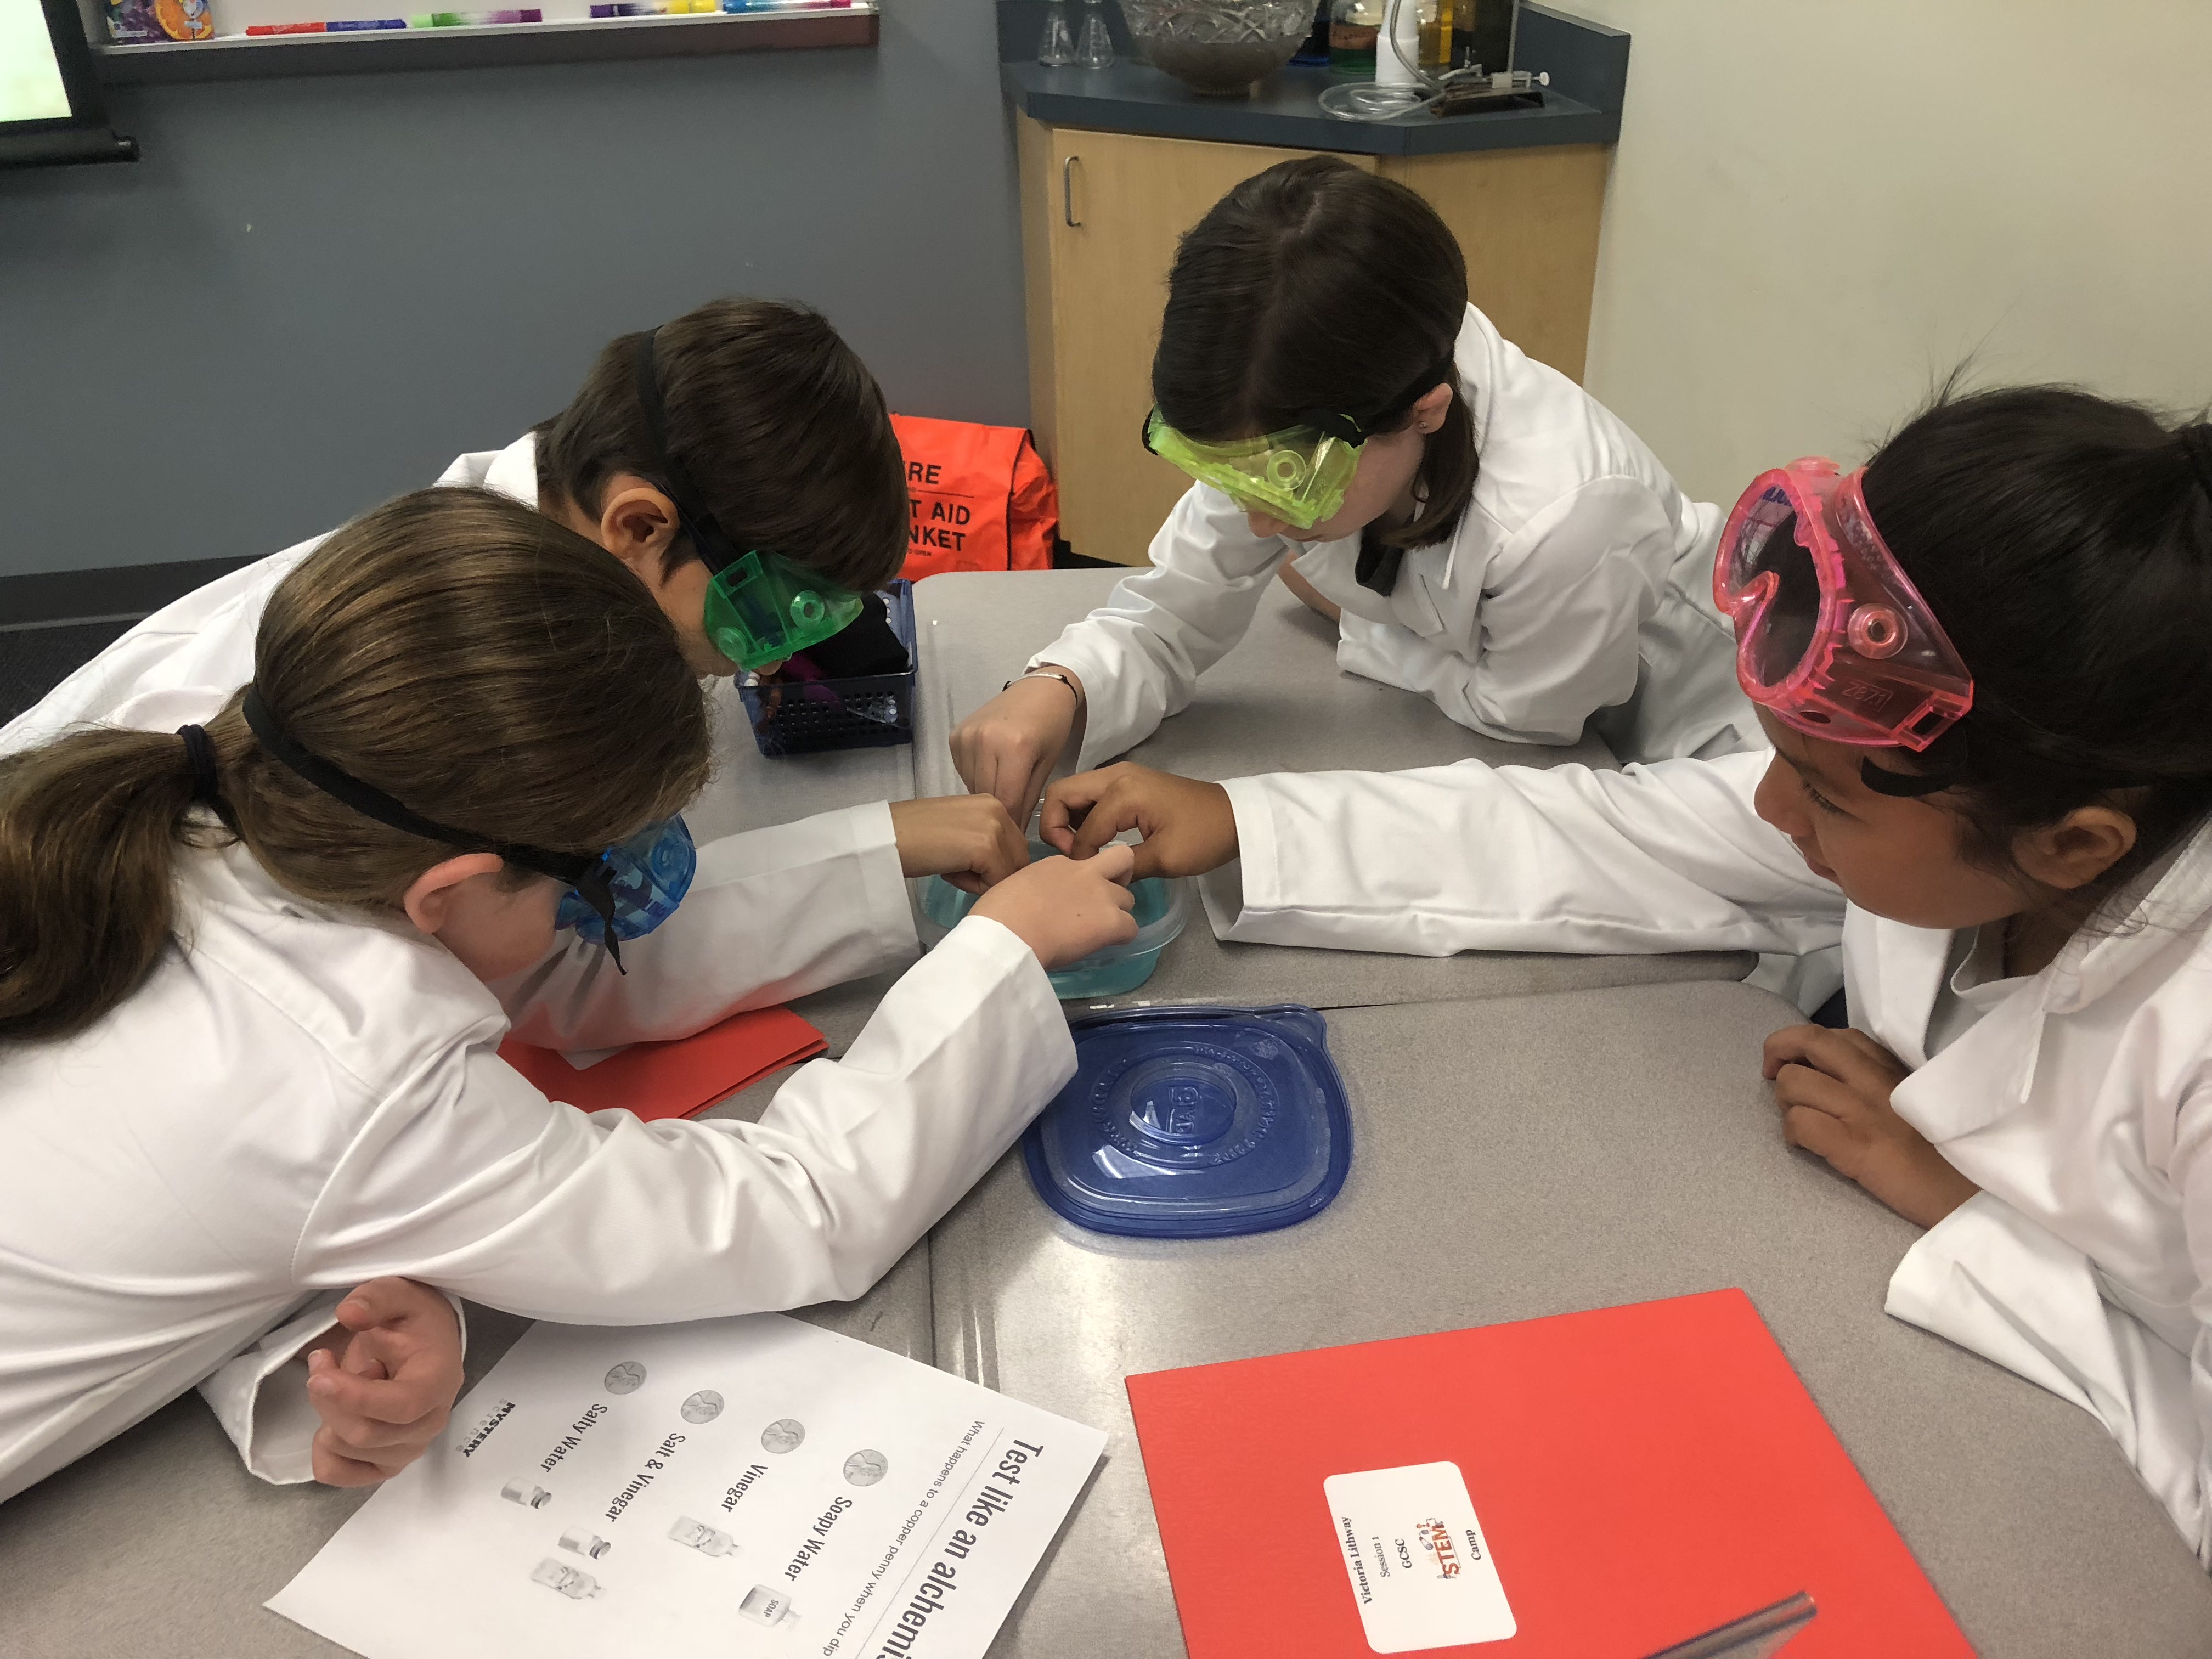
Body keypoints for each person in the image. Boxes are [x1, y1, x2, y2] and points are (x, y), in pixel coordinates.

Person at [1034, 387, 2212, 1565]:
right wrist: (1243, 818)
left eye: (1824, 794)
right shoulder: (1967, 808)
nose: (1768, 802)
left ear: (2076, 846)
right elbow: (1602, 837)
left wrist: (1958, 1209)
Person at [0, 487, 1138, 1505]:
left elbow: (138, 1192)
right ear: (444, 889)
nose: (610, 903)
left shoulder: (162, 800)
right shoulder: (364, 1076)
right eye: (594, 873)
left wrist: (322, 1322)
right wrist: (997, 955)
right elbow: (801, 1211)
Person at [2, 294, 1023, 898]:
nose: (761, 662)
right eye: (767, 614)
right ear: (638, 524)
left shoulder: (533, 580)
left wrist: (898, 838)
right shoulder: (430, 692)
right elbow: (578, 971)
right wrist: (890, 857)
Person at [951, 156, 1755, 831]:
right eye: (1230, 475)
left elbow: (1527, 727)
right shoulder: (1310, 397)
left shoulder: (1565, 514)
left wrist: (1357, 625)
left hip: (1685, 751)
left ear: (1426, 413)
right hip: (1522, 707)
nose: (1256, 516)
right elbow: (1175, 609)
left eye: (1287, 484)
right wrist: (1062, 685)